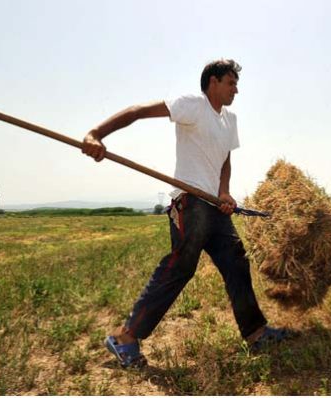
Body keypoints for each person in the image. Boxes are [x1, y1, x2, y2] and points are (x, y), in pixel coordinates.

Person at [82, 59, 290, 368]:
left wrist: (224, 192)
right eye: (231, 83)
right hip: (190, 202)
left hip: (215, 207)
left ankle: (256, 333)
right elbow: (138, 111)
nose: (236, 89)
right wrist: (95, 133)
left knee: (237, 262)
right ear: (213, 82)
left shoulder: (230, 120)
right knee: (181, 266)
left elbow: (225, 161)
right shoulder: (192, 105)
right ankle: (125, 338)